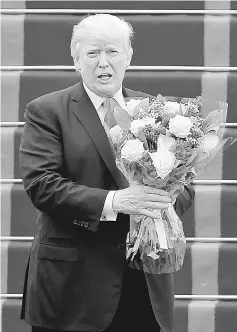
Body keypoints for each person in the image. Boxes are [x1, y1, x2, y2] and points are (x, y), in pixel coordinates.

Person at [19, 14, 194, 332]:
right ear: (76, 59)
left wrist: (166, 197)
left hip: (143, 282)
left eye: (112, 52)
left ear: (128, 56)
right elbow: (41, 185)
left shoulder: (155, 111)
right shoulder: (47, 111)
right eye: (92, 53)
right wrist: (116, 201)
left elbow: (185, 185)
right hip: (73, 287)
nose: (103, 63)